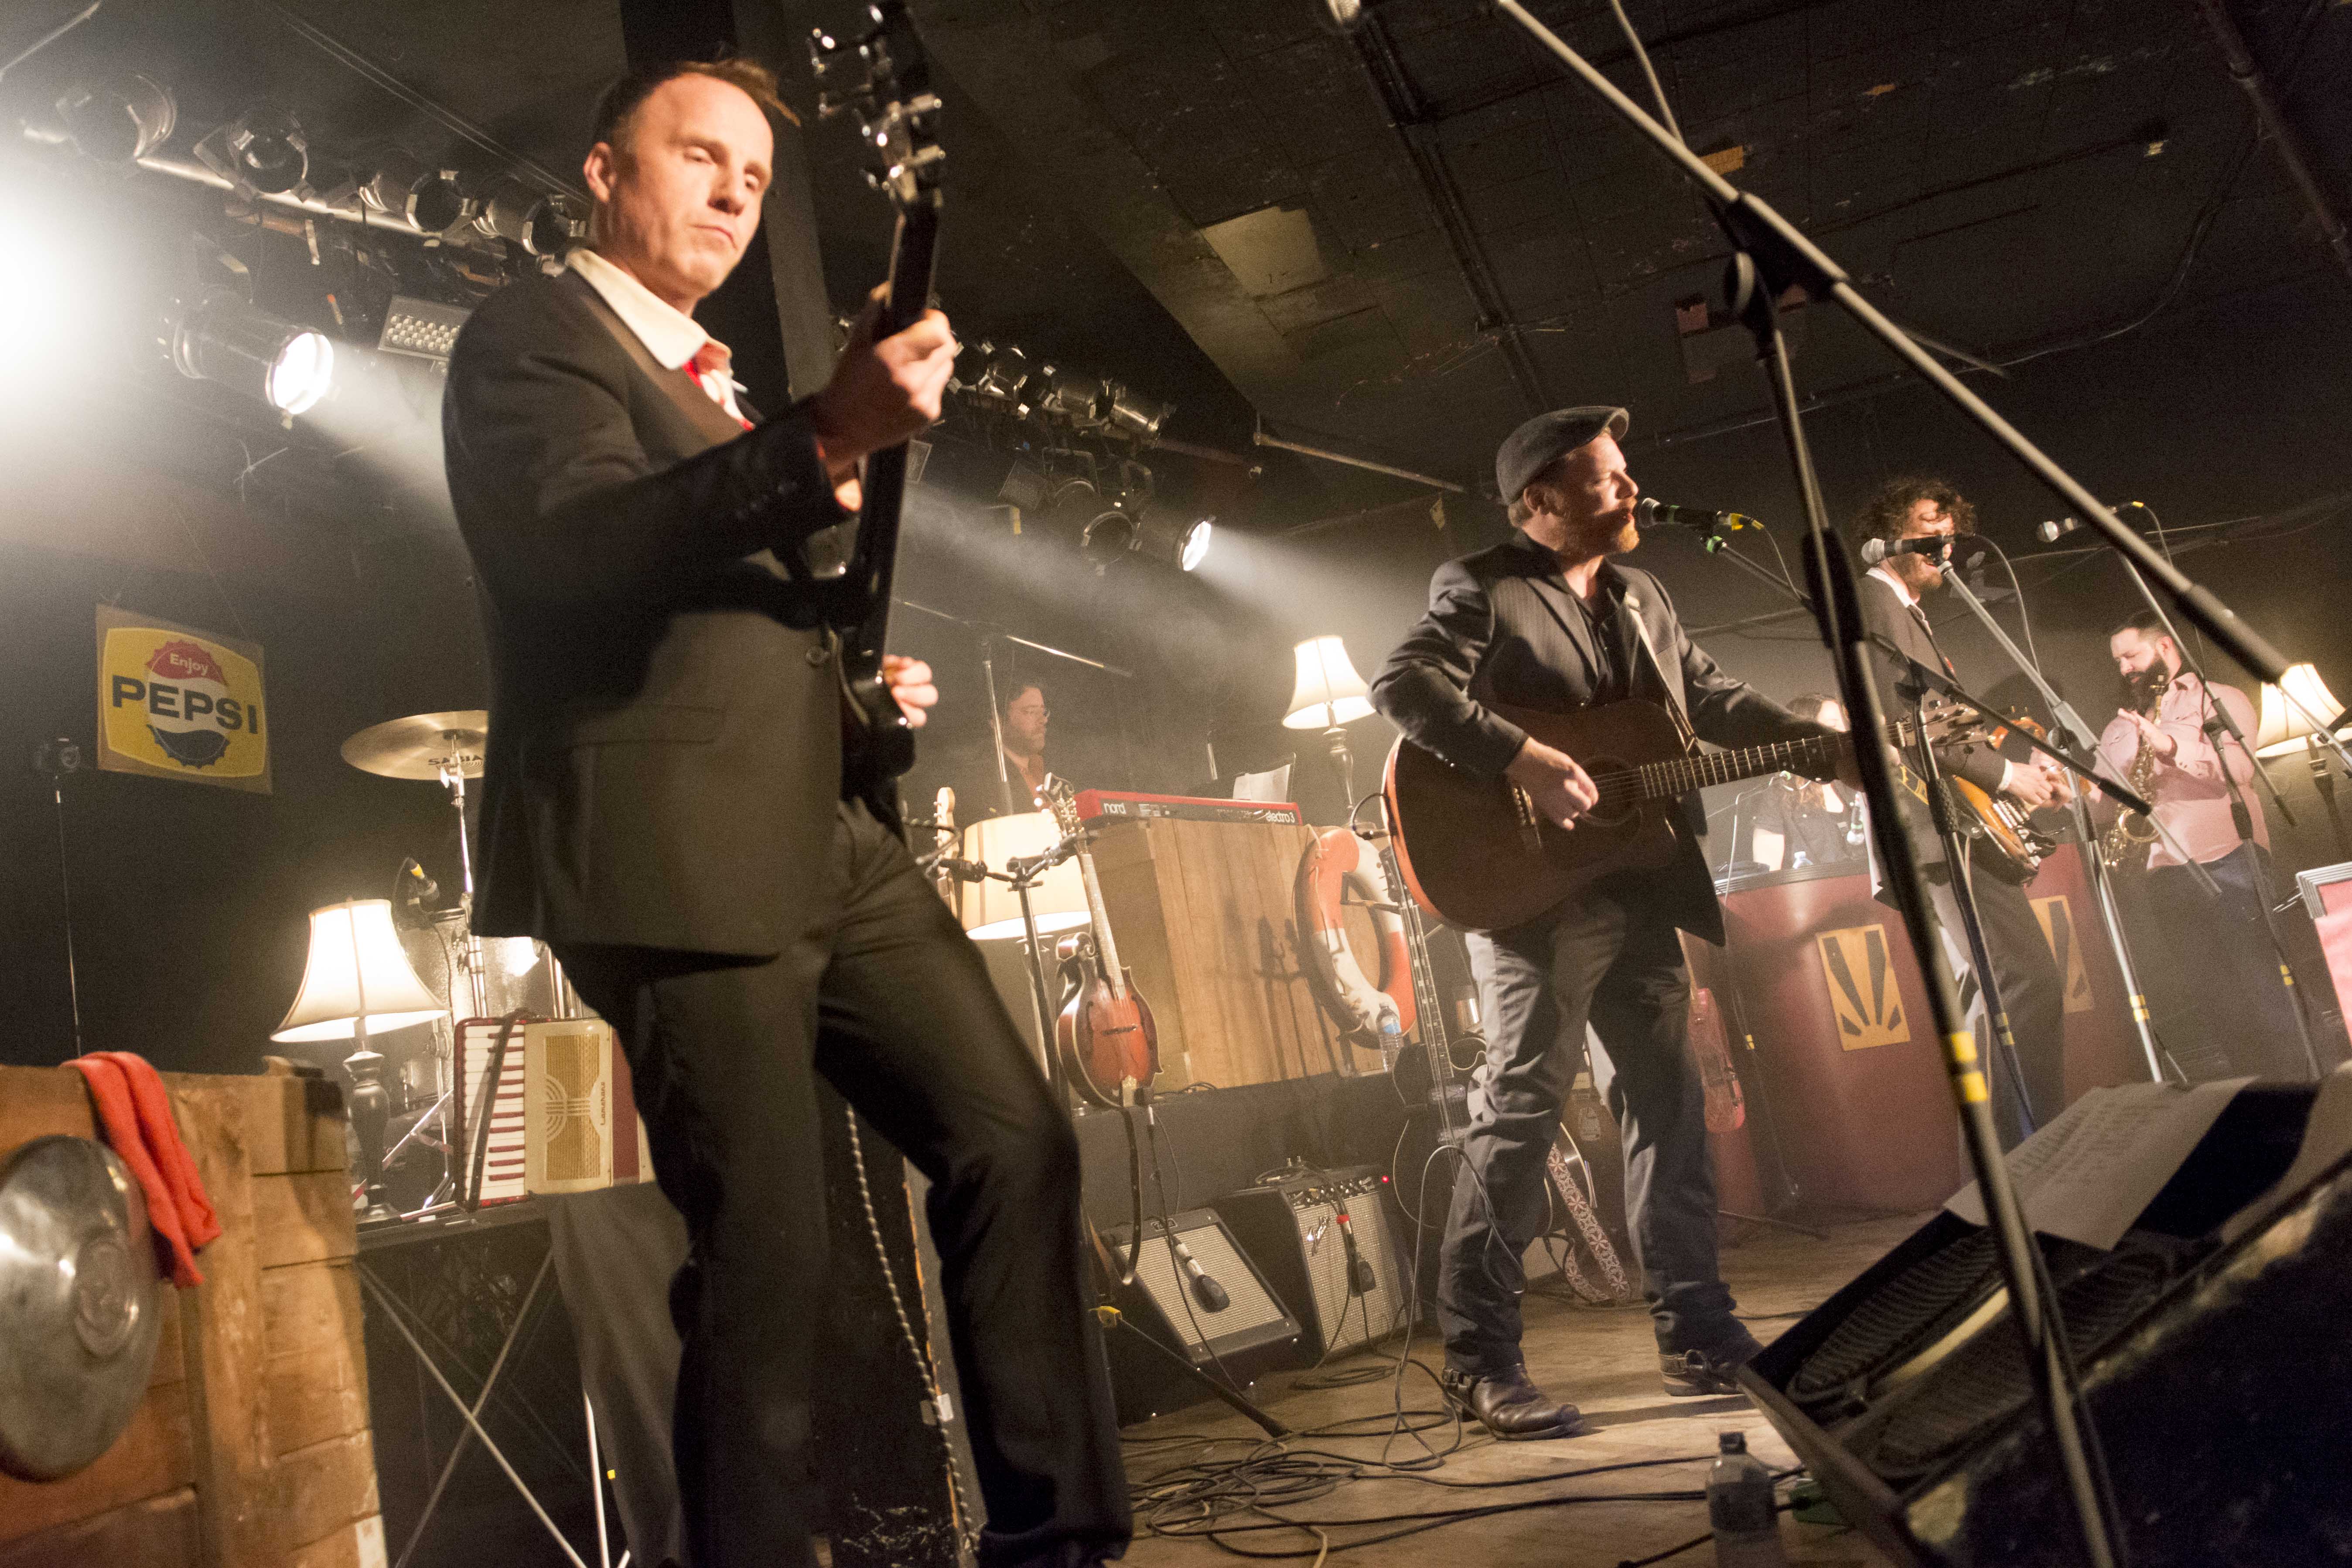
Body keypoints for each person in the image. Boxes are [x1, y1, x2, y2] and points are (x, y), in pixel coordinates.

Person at [440, 57, 1127, 1568]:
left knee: (1015, 1137)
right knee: (767, 1257)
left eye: (754, 177)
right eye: (701, 156)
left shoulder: (711, 379)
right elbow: (572, 546)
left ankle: (1055, 1541)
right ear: (605, 170)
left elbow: (718, 609)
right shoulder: (530, 338)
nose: (735, 195)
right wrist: (824, 436)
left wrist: (849, 679)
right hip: (668, 850)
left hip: (826, 835)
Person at [1370, 406, 1839, 1437]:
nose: (1630, 489)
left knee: (1669, 1104)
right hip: (1530, 892)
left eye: (1626, 472)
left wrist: (1812, 740)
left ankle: (1698, 1334)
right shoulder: (1481, 585)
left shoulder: (1646, 596)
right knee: (1521, 1111)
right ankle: (1480, 1359)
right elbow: (1402, 685)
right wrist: (1525, 760)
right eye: (1605, 477)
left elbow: (1706, 699)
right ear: (1539, 497)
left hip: (1640, 878)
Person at [1851, 477, 2069, 1149]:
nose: (1939, 540)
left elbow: (1937, 719)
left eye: (1946, 529)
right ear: (1888, 531)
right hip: (1932, 827)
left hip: (1947, 823)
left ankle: (2007, 1157)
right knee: (2026, 978)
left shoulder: (1904, 610)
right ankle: (2028, 1152)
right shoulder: (1876, 600)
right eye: (1923, 525)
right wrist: (2010, 775)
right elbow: (1906, 720)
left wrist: (2015, 780)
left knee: (1992, 986)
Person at [2095, 609, 2309, 1081]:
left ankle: (2305, 1092)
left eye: (2130, 655)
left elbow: (2240, 771)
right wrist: (2064, 788)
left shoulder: (2216, 699)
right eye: (2116, 661)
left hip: (2228, 858)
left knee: (2262, 987)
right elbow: (2100, 804)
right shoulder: (2116, 727)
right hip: (2163, 874)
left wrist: (2169, 747)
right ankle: (2255, 1098)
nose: (2123, 668)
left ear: (2164, 648)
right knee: (2215, 1000)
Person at [1751, 695, 1864, 872]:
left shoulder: (1855, 782)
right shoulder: (1779, 794)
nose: (1843, 732)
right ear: (1805, 735)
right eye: (1832, 726)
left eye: (1843, 725)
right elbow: (1768, 874)